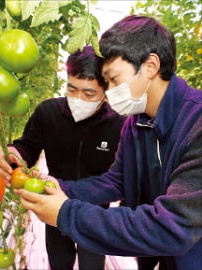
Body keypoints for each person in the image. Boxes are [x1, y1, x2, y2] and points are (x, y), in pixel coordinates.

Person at [18, 15, 202, 270]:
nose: (111, 91)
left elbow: (173, 227)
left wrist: (66, 213)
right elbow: (116, 181)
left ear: (150, 66)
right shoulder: (135, 124)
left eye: (114, 79)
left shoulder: (197, 125)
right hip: (154, 257)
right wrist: (59, 188)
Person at [0, 46, 126, 270]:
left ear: (105, 93)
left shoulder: (119, 125)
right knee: (59, 262)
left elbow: (119, 176)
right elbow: (28, 146)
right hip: (53, 204)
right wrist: (13, 153)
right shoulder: (48, 113)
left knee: (92, 265)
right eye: (72, 89)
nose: (78, 98)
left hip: (94, 214)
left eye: (88, 93)